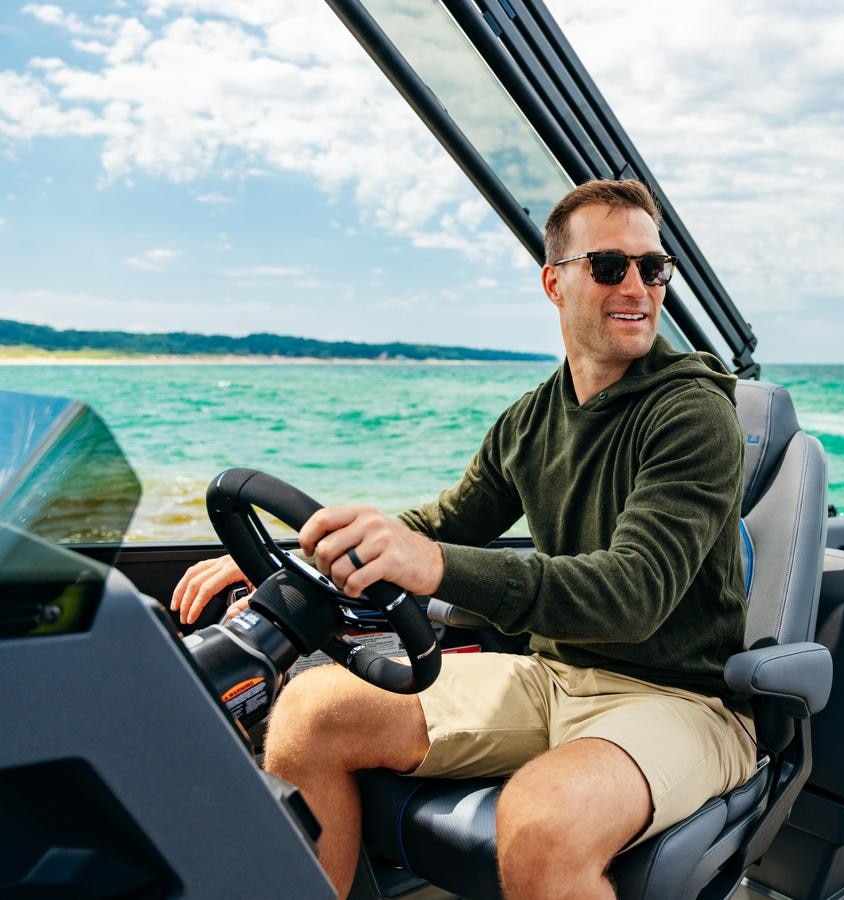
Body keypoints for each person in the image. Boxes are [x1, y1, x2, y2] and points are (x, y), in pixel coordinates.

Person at [171, 179, 757, 900]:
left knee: (542, 821)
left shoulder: (693, 412)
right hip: (551, 678)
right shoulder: (530, 420)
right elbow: (441, 523)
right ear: (555, 282)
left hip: (680, 698)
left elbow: (631, 595)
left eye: (653, 267)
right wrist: (297, 563)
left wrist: (434, 565)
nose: (636, 285)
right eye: (610, 267)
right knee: (310, 710)